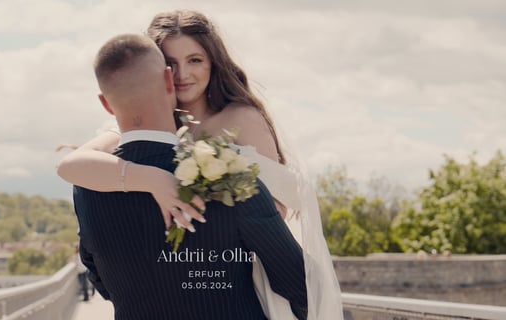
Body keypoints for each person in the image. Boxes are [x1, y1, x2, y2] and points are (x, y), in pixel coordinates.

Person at [58, 10, 343, 319]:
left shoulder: (241, 120)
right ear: (161, 73)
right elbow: (71, 165)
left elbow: (272, 216)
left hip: (247, 276)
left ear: (213, 62)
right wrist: (153, 180)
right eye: (171, 63)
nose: (182, 75)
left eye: (194, 60)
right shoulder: (130, 131)